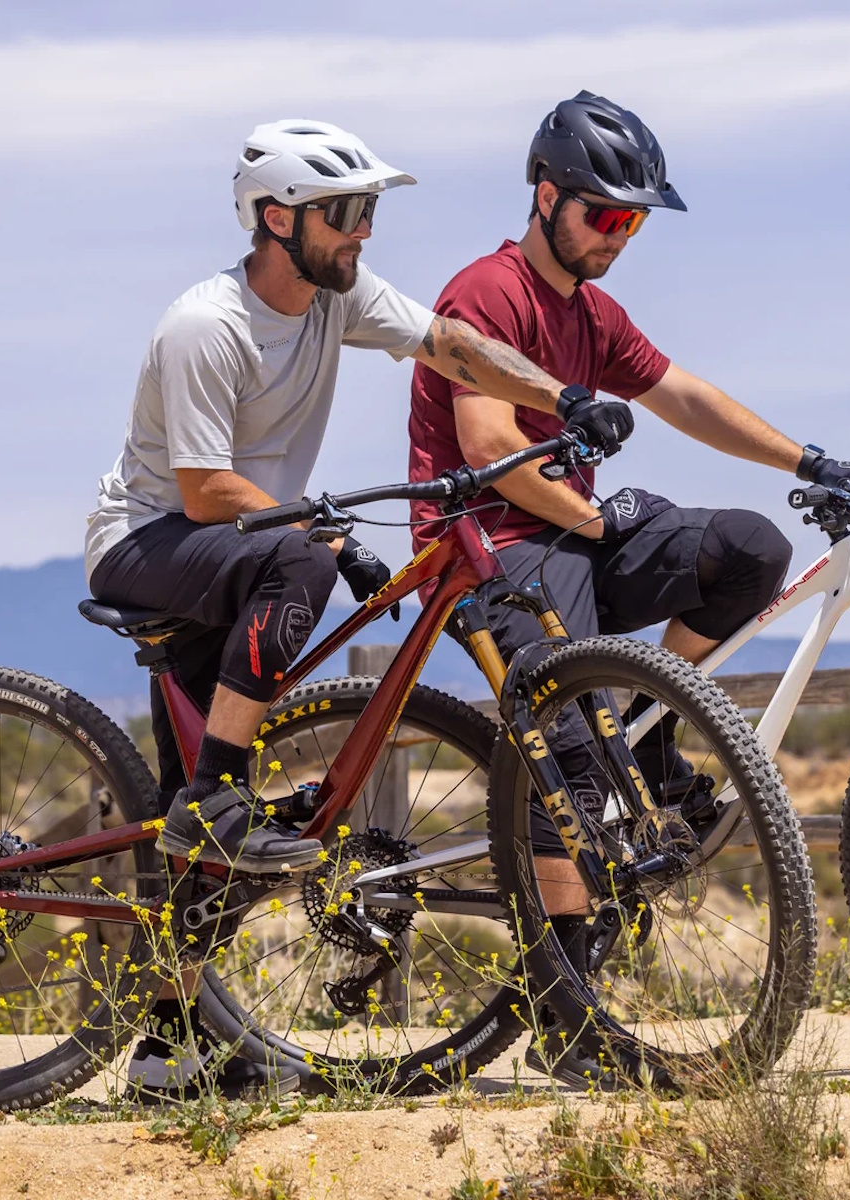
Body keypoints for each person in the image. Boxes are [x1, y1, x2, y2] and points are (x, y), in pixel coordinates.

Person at [84, 117, 633, 1098]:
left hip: (237, 550)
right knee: (291, 580)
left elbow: (453, 346)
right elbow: (204, 492)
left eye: (369, 211)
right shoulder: (206, 326)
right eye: (344, 213)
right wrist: (322, 532)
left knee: (206, 837)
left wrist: (564, 397)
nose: (363, 232)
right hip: (149, 542)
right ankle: (215, 795)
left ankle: (169, 1048)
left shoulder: (339, 297)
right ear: (277, 219)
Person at [407, 91, 850, 1082]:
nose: (619, 238)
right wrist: (595, 521)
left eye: (634, 222)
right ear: (547, 197)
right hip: (492, 549)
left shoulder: (593, 312)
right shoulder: (487, 293)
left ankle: (646, 726)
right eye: (605, 216)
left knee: (747, 549)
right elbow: (488, 446)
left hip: (571, 538)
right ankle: (568, 1026)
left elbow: (682, 396)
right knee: (569, 761)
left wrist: (810, 461)